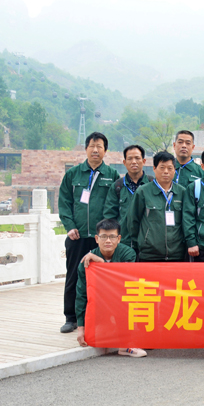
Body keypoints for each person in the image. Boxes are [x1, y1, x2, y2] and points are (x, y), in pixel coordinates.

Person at [58, 132, 119, 333]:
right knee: (73, 277)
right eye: (92, 146)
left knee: (102, 279)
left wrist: (108, 233)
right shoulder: (73, 174)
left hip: (101, 239)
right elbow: (64, 202)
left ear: (105, 151)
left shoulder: (112, 175)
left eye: (99, 146)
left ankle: (100, 317)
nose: (95, 150)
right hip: (77, 236)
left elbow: (114, 205)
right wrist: (69, 226)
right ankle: (71, 317)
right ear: (86, 149)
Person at [74, 218, 144, 357]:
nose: (108, 241)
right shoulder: (87, 261)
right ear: (96, 238)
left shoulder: (128, 253)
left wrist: (101, 263)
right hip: (100, 303)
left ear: (119, 239)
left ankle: (126, 346)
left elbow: (121, 280)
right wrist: (80, 328)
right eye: (103, 236)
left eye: (112, 237)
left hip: (121, 299)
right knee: (97, 337)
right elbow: (81, 294)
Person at [128, 151, 188, 262]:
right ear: (154, 169)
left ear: (174, 170)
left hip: (177, 254)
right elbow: (133, 222)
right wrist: (142, 243)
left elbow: (187, 221)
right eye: (162, 167)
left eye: (170, 168)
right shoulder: (143, 192)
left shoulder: (182, 192)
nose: (166, 171)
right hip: (149, 255)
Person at [103, 144, 151, 251]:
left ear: (143, 161)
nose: (134, 162)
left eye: (137, 158)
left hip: (149, 244)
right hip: (124, 244)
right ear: (124, 162)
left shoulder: (152, 184)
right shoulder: (117, 186)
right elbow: (110, 216)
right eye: (130, 159)